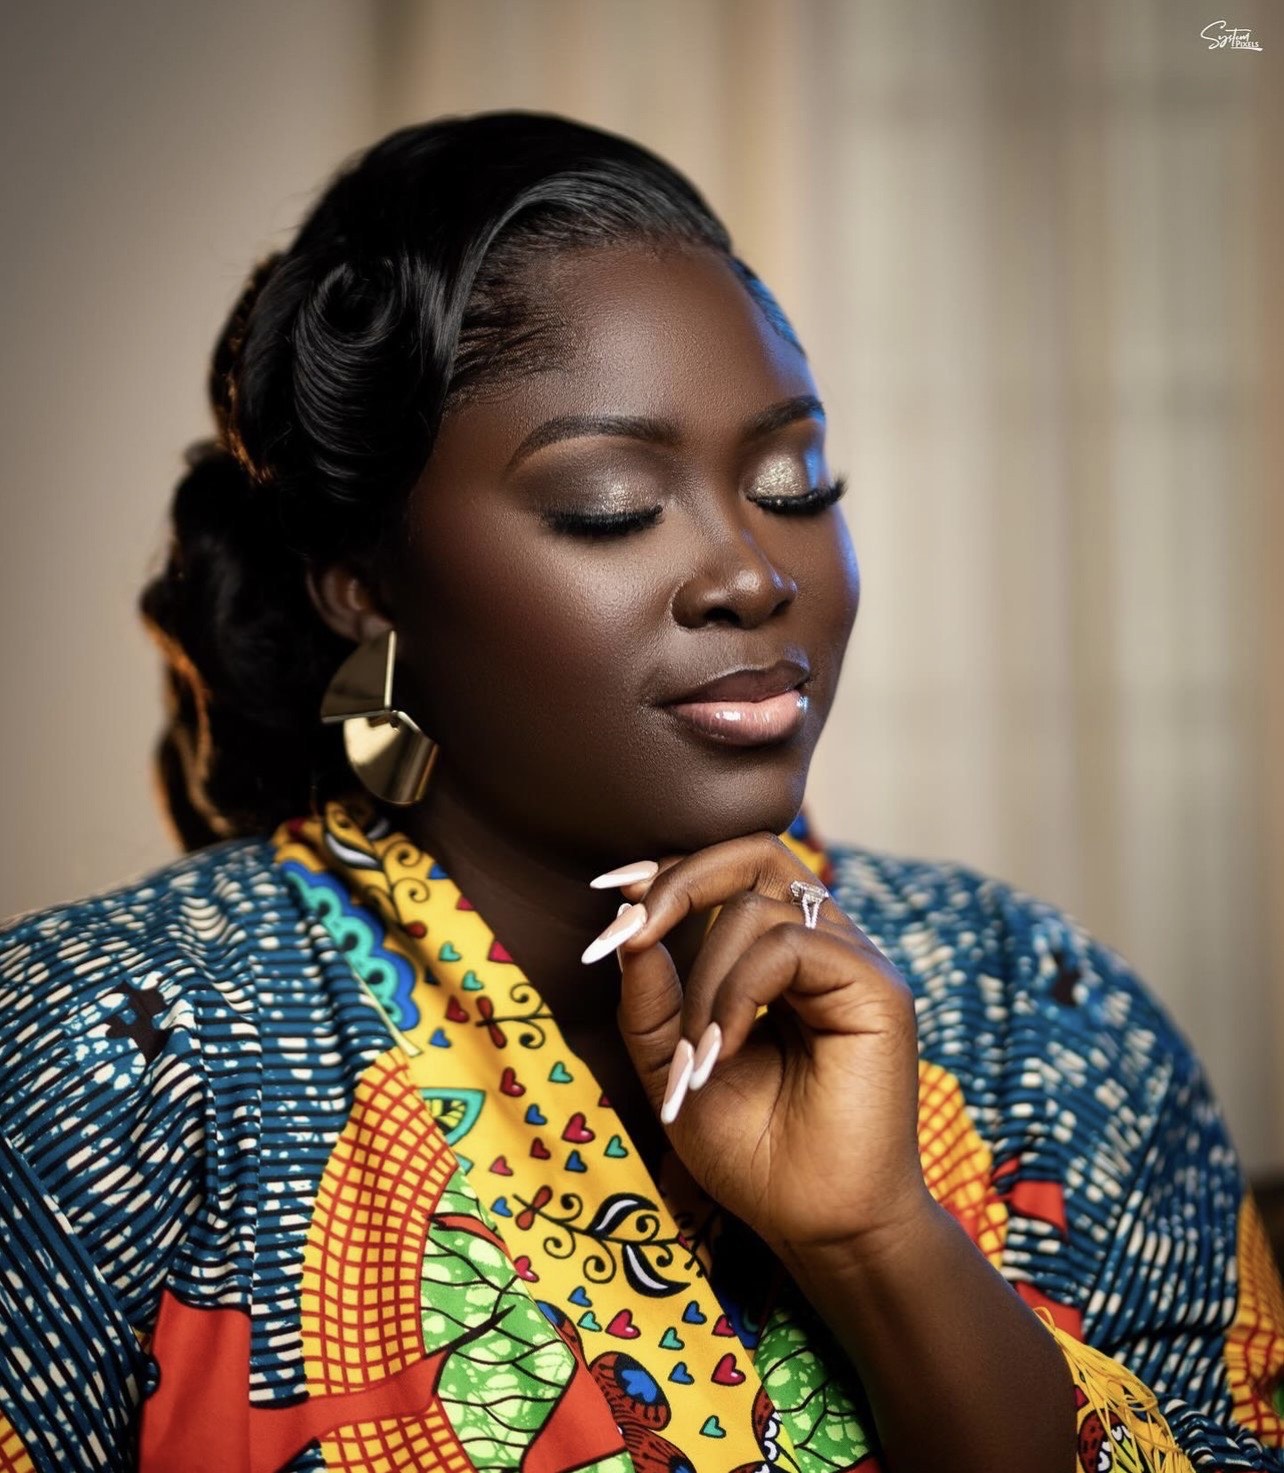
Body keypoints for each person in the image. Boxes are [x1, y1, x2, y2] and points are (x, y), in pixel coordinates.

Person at [0, 111, 1279, 1473]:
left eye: (793, 479)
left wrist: (881, 1245)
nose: (752, 570)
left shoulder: (1050, 1021)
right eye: (613, 501)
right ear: (363, 584)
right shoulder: (108, 1060)